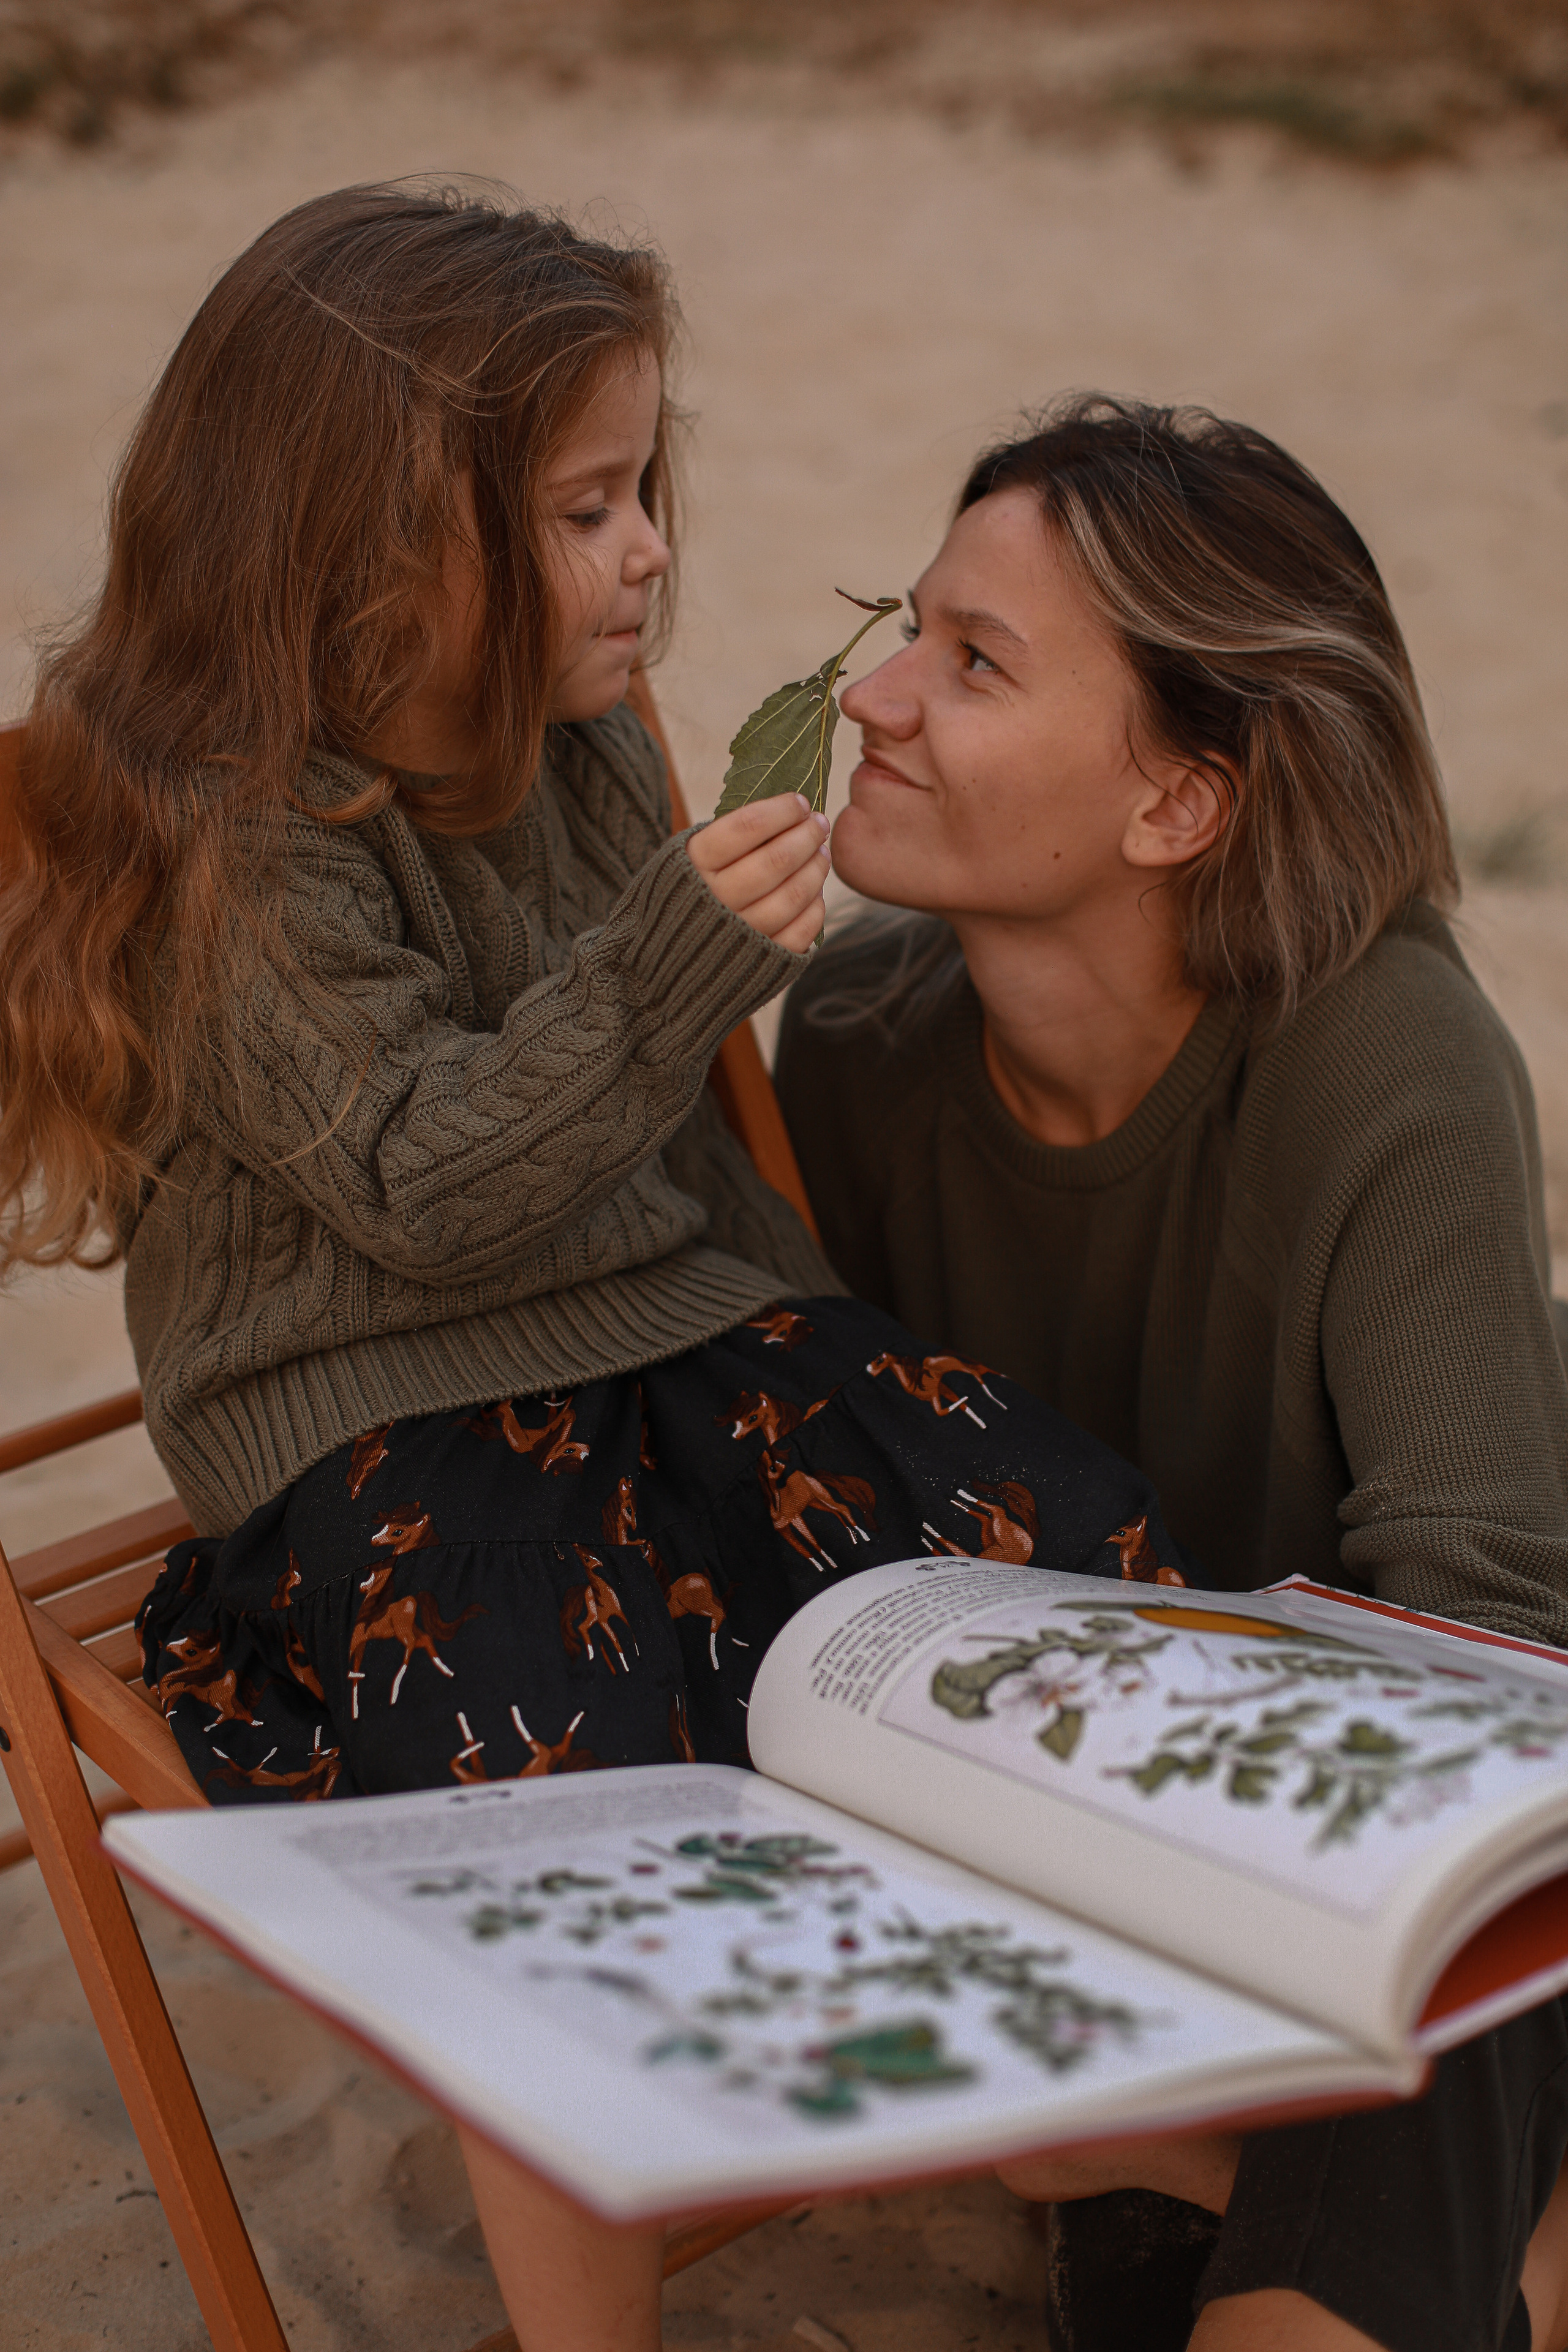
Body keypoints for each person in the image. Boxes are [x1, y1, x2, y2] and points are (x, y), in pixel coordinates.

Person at [0, 191, 1203, 2351]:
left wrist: (827, 1356)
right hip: (373, 1412)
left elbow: (675, 1168)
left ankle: (1083, 2099)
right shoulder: (239, 839)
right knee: (562, 1836)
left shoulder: (583, 749)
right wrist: (674, 965)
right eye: (581, 509)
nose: (650, 545)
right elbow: (421, 1185)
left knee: (1035, 1541)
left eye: (646, 485)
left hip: (661, 1335)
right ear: (372, 558)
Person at [774, 395, 1568, 2352]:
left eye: (973, 664)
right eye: (910, 627)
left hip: (1435, 1790)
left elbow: (1486, 1642)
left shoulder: (1384, 1057)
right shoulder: (859, 1053)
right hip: (1149, 1846)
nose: (874, 699)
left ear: (1180, 803)